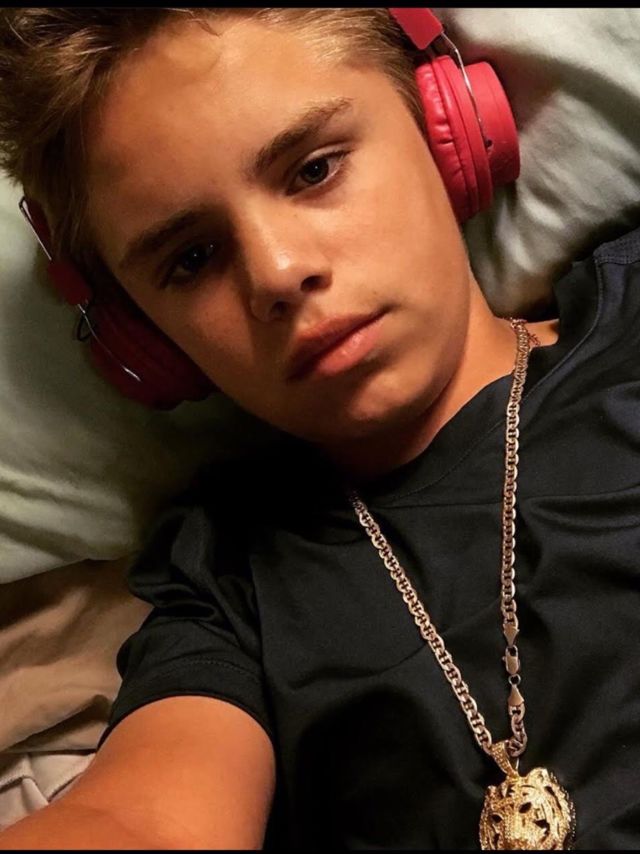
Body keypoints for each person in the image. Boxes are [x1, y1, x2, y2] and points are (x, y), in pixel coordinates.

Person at [0, 6, 638, 850]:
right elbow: (140, 817)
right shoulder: (228, 577)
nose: (278, 272)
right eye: (191, 259)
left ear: (447, 131)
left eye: (313, 170)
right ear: (143, 344)